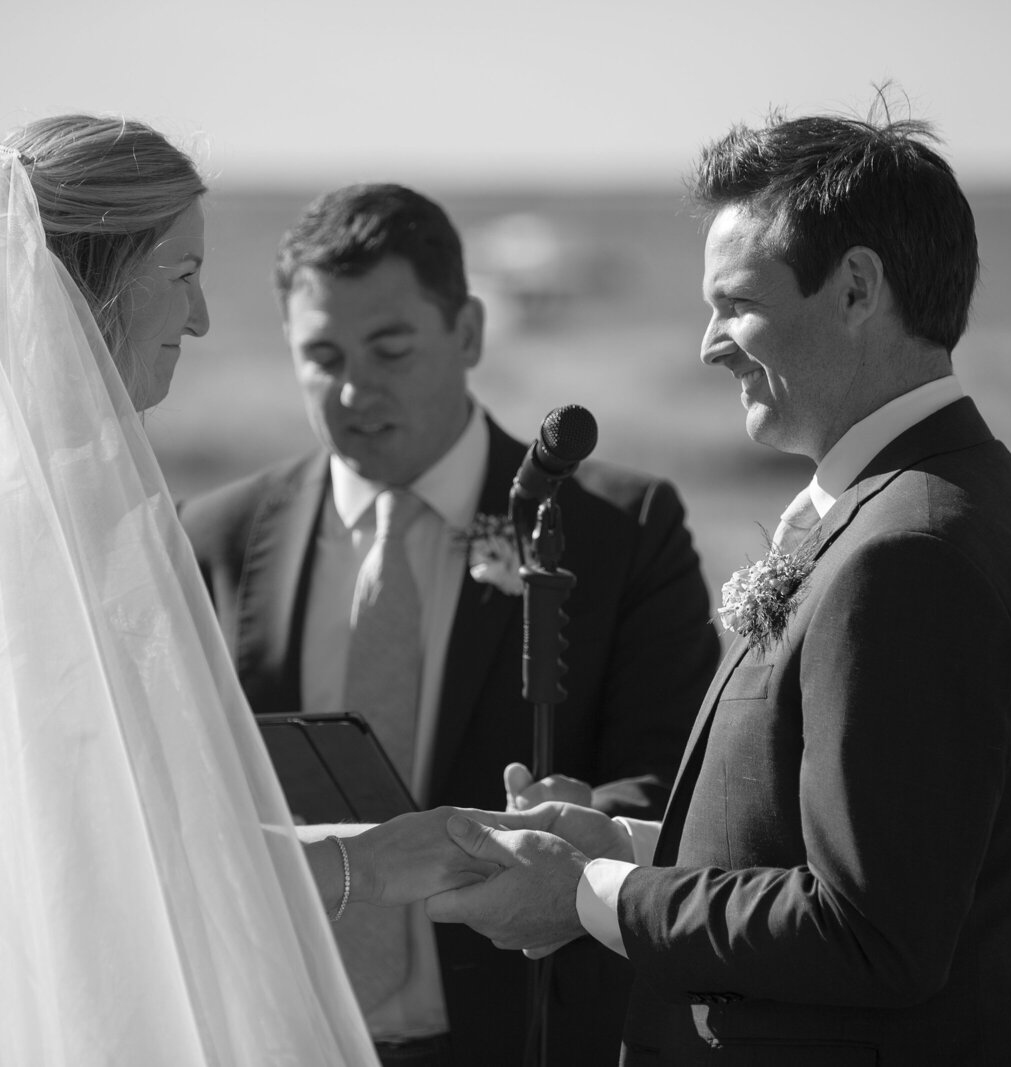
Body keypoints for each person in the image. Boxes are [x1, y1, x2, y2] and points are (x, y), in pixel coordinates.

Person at [428, 108, 1011, 1065]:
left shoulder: (911, 550)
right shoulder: (925, 496)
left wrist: (587, 892)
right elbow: (830, 843)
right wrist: (627, 844)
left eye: (736, 304)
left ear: (858, 287)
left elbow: (871, 931)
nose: (709, 344)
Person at [0, 116, 485, 1067]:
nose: (203, 317)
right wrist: (370, 865)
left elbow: (112, 827)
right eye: (181, 275)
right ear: (88, 290)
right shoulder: (62, 539)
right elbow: (121, 878)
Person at [179, 183, 723, 1066]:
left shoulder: (616, 527)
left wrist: (586, 823)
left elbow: (680, 783)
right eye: (322, 356)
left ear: (468, 331)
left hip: (522, 1033)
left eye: (390, 348)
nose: (355, 389)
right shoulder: (215, 537)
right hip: (282, 1034)